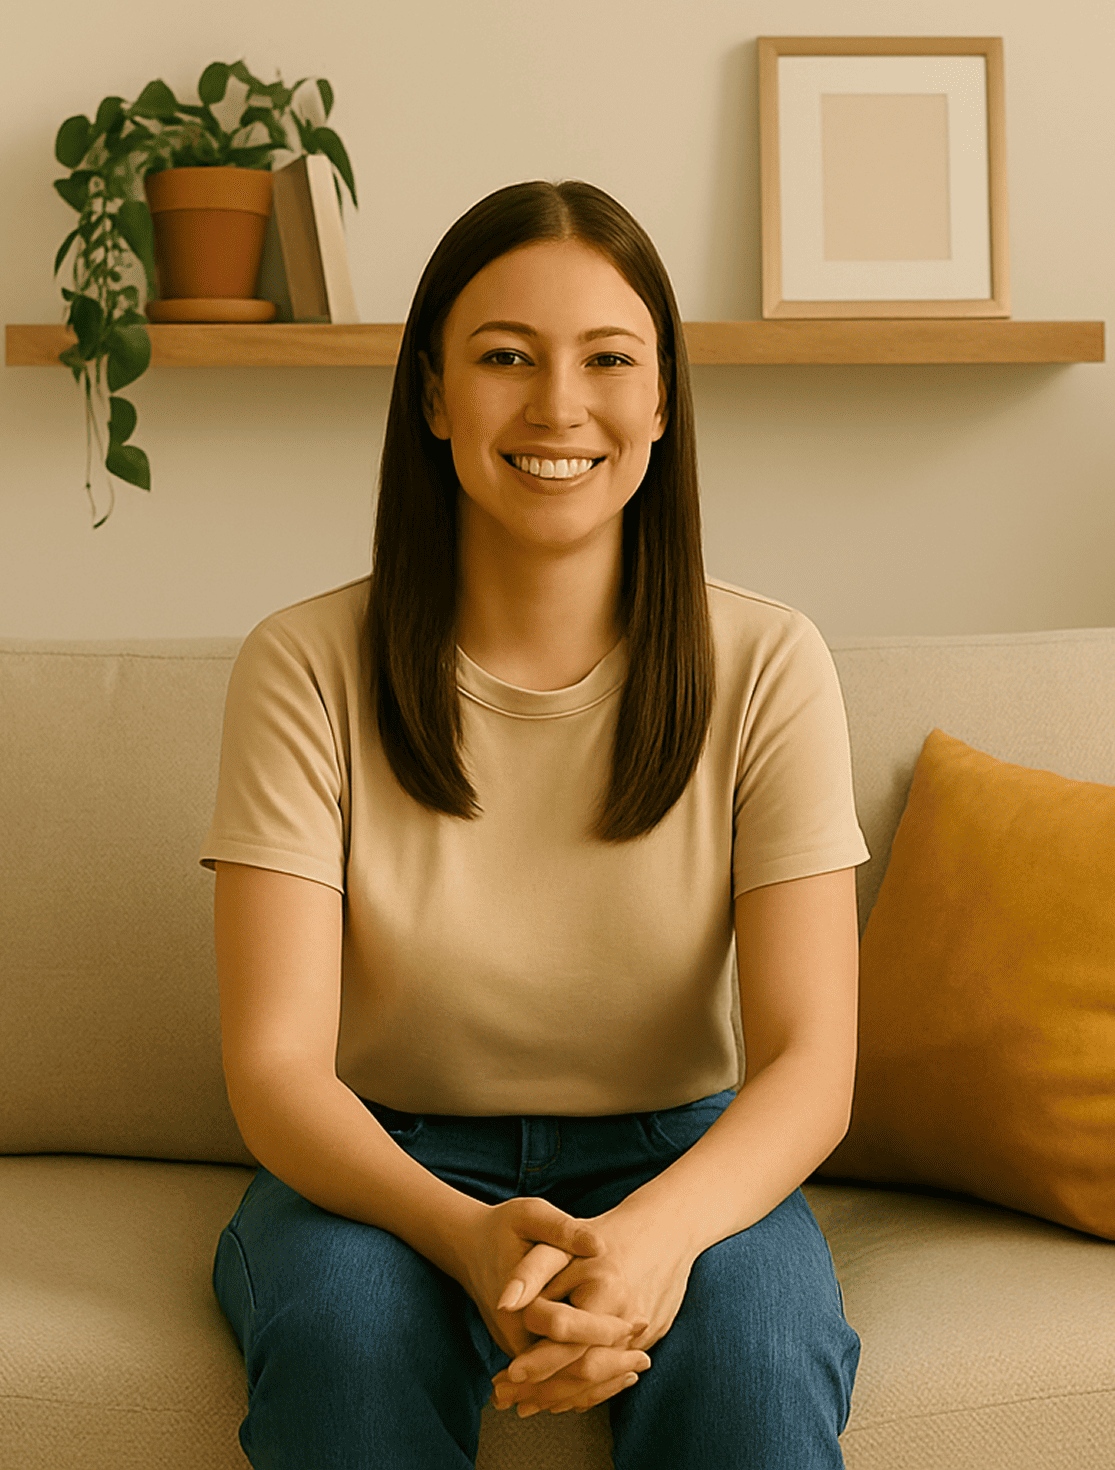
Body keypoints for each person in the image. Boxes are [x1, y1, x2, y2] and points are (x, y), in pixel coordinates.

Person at [202, 178, 867, 1469]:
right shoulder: (302, 663)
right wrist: (463, 1233)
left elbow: (809, 1062)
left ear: (662, 398)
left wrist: (651, 1241)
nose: (557, 406)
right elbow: (277, 1068)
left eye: (607, 359)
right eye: (504, 358)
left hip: (678, 1151)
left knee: (753, 1360)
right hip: (381, 1162)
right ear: (433, 395)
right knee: (346, 1339)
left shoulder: (768, 661)